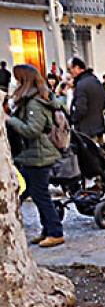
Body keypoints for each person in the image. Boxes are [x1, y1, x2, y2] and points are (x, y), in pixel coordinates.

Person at [6, 64, 66, 247]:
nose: (15, 82)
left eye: (18, 79)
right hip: (32, 154)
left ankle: (55, 232)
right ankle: (48, 230)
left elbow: (33, 130)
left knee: (40, 195)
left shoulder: (34, 102)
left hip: (38, 155)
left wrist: (10, 120)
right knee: (36, 193)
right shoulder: (32, 100)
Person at [68, 57, 105, 139]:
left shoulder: (81, 84)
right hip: (99, 126)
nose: (69, 72)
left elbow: (81, 109)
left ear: (77, 68)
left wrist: (72, 119)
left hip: (85, 129)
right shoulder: (96, 81)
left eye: (69, 69)